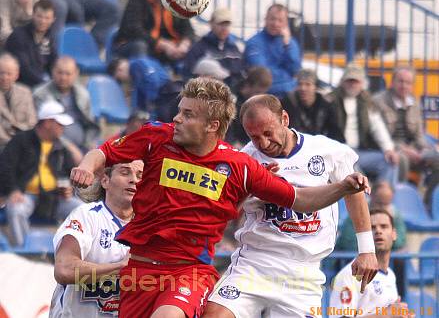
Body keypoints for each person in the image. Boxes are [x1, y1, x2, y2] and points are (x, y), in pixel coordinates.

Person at [70, 77, 371, 318]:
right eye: (179, 111)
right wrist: (86, 166)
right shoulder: (157, 138)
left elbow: (300, 199)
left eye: (187, 114)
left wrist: (345, 187)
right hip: (144, 266)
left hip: (192, 270)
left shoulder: (241, 166)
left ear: (213, 125)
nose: (176, 118)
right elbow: (105, 152)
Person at [205, 94, 378, 318]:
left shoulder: (327, 151)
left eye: (268, 133)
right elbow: (225, 214)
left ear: (284, 119)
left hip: (302, 273)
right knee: (215, 315)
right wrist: (250, 188)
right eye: (255, 137)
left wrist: (366, 250)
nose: (264, 143)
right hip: (255, 262)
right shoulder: (244, 160)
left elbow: (353, 193)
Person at [49, 160, 143, 317]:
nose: (134, 180)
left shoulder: (151, 226)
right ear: (105, 180)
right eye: (125, 172)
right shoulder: (87, 216)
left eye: (140, 175)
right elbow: (63, 269)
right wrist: (120, 267)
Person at [0, 100, 83, 246]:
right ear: (47, 123)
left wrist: (69, 188)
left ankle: (72, 251)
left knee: (81, 209)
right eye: (59, 124)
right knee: (16, 209)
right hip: (25, 195)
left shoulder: (61, 146)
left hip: (54, 197)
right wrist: (12, 190)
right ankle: (23, 251)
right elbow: (5, 168)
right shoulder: (21, 140)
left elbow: (70, 172)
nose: (62, 129)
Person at [329, 209, 414, 318]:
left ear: (394, 234)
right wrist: (387, 314)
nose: (378, 231)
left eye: (384, 226)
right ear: (364, 235)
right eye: (372, 228)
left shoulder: (391, 275)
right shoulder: (349, 275)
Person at [373, 65, 439, 205]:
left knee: (437, 158)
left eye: (408, 82)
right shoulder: (378, 101)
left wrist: (426, 150)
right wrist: (405, 150)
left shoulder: (414, 102)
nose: (404, 86)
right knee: (400, 159)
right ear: (392, 82)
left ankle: (428, 203)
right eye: (400, 81)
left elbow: (419, 135)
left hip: (413, 149)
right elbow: (380, 137)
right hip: (390, 149)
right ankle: (399, 204)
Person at [325, 63, 399, 185]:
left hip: (360, 152)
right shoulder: (330, 101)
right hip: (338, 152)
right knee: (352, 168)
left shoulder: (367, 103)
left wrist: (389, 149)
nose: (352, 84)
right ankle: (366, 201)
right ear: (343, 81)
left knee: (390, 161)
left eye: (356, 81)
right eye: (349, 80)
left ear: (362, 84)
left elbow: (378, 127)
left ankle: (382, 197)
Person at [113, 0, 194, 65]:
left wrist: (184, 44)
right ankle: (143, 75)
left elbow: (188, 29)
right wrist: (160, 44)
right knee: (140, 46)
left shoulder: (176, 0)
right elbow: (133, 30)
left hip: (166, 47)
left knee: (194, 49)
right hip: (134, 44)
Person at [33, 56, 100, 150]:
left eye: (68, 74)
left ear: (76, 74)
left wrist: (90, 144)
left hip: (82, 146)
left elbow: (90, 124)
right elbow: (45, 128)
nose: (63, 77)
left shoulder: (83, 94)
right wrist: (70, 148)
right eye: (60, 73)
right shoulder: (41, 94)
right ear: (52, 71)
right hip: (54, 147)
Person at [244, 3, 301, 97]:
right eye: (272, 19)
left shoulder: (290, 42)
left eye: (280, 20)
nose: (275, 23)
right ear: (266, 19)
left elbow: (295, 70)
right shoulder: (254, 43)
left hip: (289, 94)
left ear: (286, 23)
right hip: (266, 94)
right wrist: (286, 76)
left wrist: (287, 45)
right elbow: (262, 75)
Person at [337, 181, 407, 252]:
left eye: (386, 204)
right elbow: (347, 242)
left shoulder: (395, 214)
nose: (382, 208)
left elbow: (400, 242)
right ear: (371, 195)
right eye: (379, 203)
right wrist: (379, 242)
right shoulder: (357, 211)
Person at [183, 7, 244, 84]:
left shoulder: (234, 49)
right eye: (220, 24)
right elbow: (187, 76)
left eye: (227, 24)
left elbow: (240, 76)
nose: (224, 28)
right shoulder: (198, 48)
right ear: (211, 24)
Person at [5, 0, 57, 88]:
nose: (43, 21)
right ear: (33, 15)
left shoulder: (49, 37)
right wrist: (46, 85)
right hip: (19, 85)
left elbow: (53, 62)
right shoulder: (18, 36)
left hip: (40, 83)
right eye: (39, 16)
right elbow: (24, 70)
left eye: (47, 18)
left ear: (53, 19)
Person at [281, 68, 342, 139]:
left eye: (308, 84)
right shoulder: (288, 102)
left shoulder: (325, 105)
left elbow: (334, 131)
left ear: (315, 87)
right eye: (300, 84)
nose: (303, 88)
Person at [226, 66, 273, 147]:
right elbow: (228, 129)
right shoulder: (231, 100)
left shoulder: (260, 102)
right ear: (248, 85)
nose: (260, 96)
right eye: (257, 92)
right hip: (235, 144)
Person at [0, 53, 37, 151]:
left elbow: (32, 122)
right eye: (1, 73)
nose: (4, 77)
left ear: (16, 75)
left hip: (23, 142)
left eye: (9, 73)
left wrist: (20, 138)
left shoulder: (25, 92)